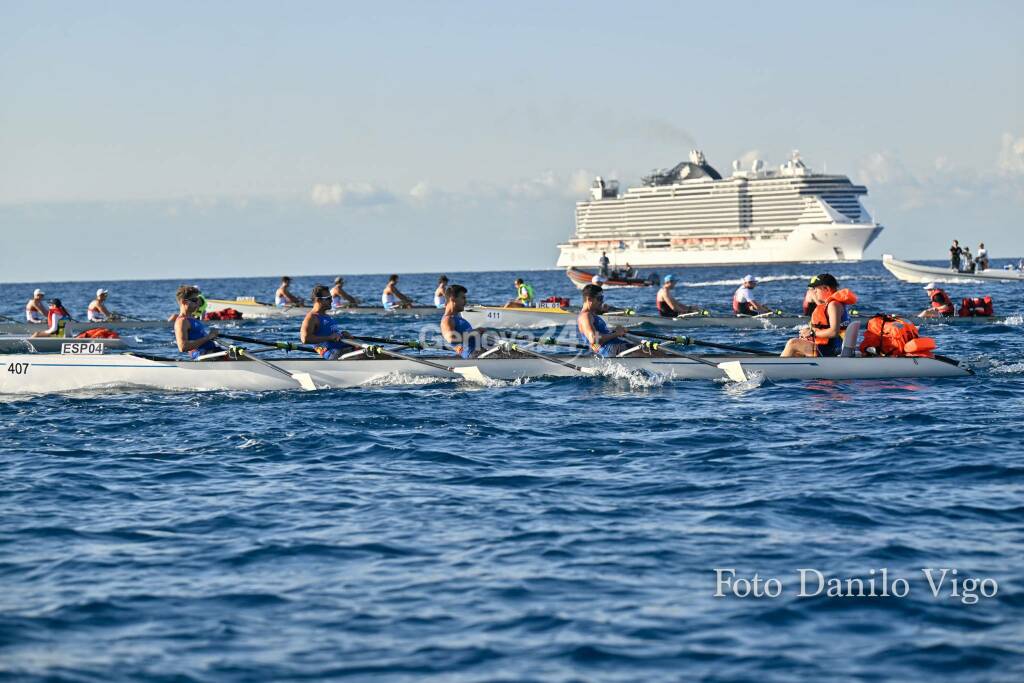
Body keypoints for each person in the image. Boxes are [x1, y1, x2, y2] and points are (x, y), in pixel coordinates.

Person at [781, 273, 857, 358]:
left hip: (831, 350)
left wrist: (811, 333)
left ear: (826, 289)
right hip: (831, 347)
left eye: (816, 289)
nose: (814, 292)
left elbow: (833, 332)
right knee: (796, 352)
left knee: (793, 343)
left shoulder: (833, 305)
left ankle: (776, 369)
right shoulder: (835, 303)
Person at [301, 285, 356, 359]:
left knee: (373, 351)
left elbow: (332, 335)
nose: (331, 300)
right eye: (328, 298)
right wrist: (329, 338)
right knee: (371, 354)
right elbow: (305, 339)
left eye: (331, 298)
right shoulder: (311, 317)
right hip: (334, 353)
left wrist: (344, 335)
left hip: (344, 349)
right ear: (318, 300)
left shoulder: (326, 316)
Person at [577, 284, 630, 357]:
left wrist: (614, 331)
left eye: (602, 298)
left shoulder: (591, 314)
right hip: (611, 349)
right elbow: (594, 339)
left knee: (648, 349)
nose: (602, 301)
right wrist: (616, 333)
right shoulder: (585, 316)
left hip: (613, 347)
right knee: (649, 351)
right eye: (599, 298)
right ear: (589, 299)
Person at [440, 284, 490, 358]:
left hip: (481, 353)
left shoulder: (457, 318)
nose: (465, 301)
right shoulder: (447, 320)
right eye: (463, 298)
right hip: (473, 356)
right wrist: (476, 331)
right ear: (452, 299)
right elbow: (451, 339)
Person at [174, 285, 220, 359]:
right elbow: (182, 347)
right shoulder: (182, 321)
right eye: (195, 300)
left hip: (212, 352)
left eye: (198, 300)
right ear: (184, 302)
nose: (198, 303)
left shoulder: (193, 318)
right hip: (204, 355)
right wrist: (208, 337)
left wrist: (212, 336)